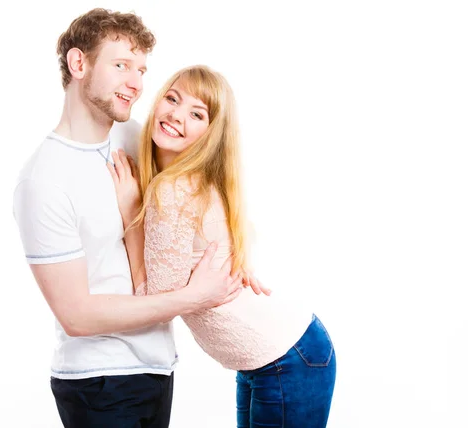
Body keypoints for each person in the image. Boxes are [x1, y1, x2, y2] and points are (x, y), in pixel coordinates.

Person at [12, 9, 254, 428]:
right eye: (121, 65)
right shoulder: (43, 180)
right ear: (79, 63)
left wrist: (238, 253)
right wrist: (192, 298)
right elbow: (77, 315)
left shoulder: (136, 136)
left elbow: (202, 186)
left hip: (157, 369)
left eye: (141, 69)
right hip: (98, 381)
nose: (137, 83)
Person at [107, 65, 337, 427]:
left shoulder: (175, 189)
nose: (175, 115)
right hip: (279, 355)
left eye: (197, 114)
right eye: (172, 98)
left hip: (286, 358)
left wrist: (130, 212)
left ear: (211, 134)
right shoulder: (186, 181)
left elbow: (154, 302)